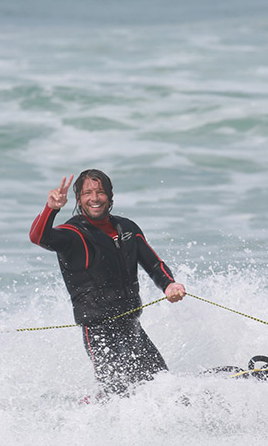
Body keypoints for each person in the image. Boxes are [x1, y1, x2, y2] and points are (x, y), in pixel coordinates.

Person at [29, 169, 186, 395]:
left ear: (110, 197)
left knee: (163, 384)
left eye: (100, 192)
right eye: (87, 193)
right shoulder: (72, 235)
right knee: (116, 391)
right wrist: (51, 209)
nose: (94, 198)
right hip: (98, 331)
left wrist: (169, 284)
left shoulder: (127, 228)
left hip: (131, 326)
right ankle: (93, 409)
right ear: (79, 199)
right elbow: (39, 237)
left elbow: (153, 264)